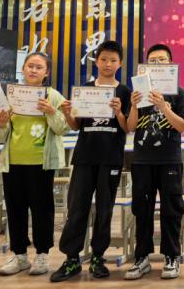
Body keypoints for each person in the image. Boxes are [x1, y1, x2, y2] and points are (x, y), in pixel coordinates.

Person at [50, 40, 131, 282]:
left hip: (111, 158)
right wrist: (67, 113)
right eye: (104, 59)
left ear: (120, 63)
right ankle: (71, 258)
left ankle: (98, 257)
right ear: (97, 61)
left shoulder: (124, 92)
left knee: (105, 209)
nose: (108, 64)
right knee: (77, 208)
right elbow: (76, 126)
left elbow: (127, 127)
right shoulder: (84, 90)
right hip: (84, 157)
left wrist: (118, 112)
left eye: (113, 60)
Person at [0, 52, 68, 276]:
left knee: (42, 209)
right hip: (13, 162)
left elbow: (62, 128)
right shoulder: (10, 96)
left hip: (41, 163)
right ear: (23, 69)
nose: (33, 70)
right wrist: (1, 123)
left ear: (47, 73)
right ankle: (20, 256)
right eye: (30, 66)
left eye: (39, 67)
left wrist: (51, 112)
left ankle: (42, 255)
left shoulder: (53, 96)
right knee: (15, 209)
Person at [125, 43, 184, 280]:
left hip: (169, 160)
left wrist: (163, 106)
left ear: (170, 64)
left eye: (162, 60)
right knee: (142, 210)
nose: (157, 64)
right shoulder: (139, 93)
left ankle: (172, 256)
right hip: (142, 160)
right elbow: (131, 127)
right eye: (152, 61)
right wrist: (134, 105)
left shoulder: (179, 93)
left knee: (171, 210)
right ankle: (141, 257)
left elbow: (182, 126)